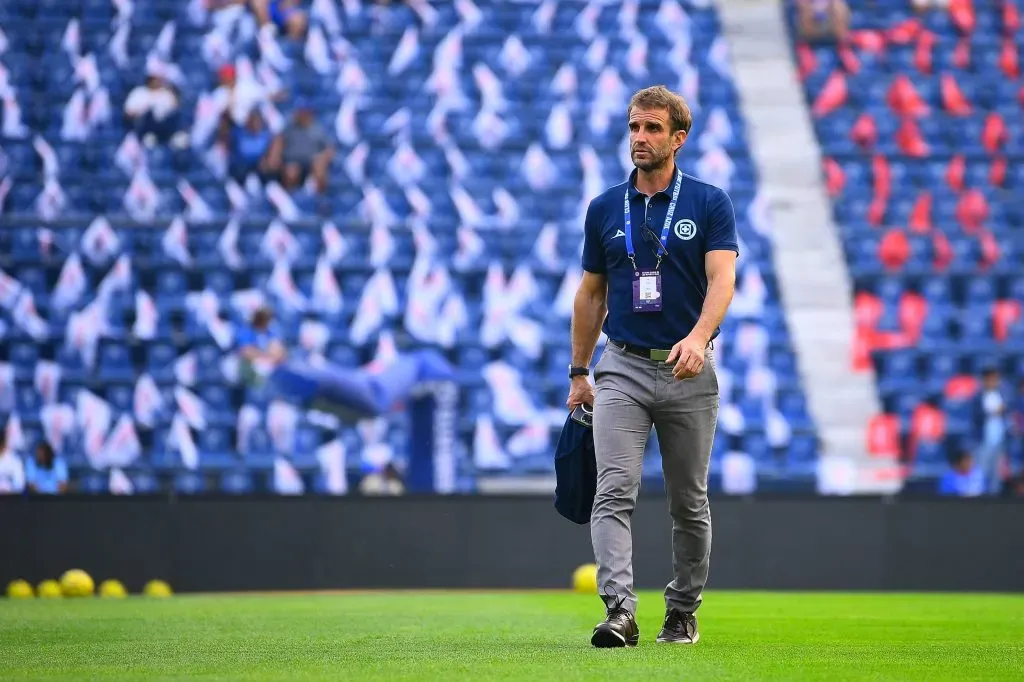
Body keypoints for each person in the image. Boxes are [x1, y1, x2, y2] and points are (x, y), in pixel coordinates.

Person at [567, 85, 738, 647]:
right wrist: (579, 371)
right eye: (635, 127)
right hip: (623, 367)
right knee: (613, 490)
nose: (640, 138)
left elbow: (722, 280)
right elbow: (591, 294)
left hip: (690, 370)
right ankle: (620, 610)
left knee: (689, 502)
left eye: (653, 129)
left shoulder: (709, 203)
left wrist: (698, 337)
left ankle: (682, 611)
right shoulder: (603, 207)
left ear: (678, 137)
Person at [267, 99, 334, 193]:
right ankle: (292, 200)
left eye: (303, 112)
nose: (300, 114)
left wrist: (322, 158)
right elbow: (278, 141)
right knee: (291, 171)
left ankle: (321, 201)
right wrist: (275, 156)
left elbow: (329, 148)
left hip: (311, 162)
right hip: (292, 161)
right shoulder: (289, 128)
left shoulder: (318, 129)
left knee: (320, 169)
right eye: (299, 112)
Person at [123, 75, 186, 148]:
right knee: (149, 114)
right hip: (143, 127)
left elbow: (175, 110)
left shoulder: (165, 93)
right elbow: (128, 113)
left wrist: (172, 92)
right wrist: (142, 110)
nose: (156, 81)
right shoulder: (139, 92)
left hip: (164, 127)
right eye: (154, 79)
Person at [974, 368, 1008, 495]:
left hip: (1000, 440)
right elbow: (976, 416)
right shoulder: (978, 397)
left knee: (996, 474)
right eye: (991, 379)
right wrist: (993, 412)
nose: (994, 382)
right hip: (984, 440)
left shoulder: (1002, 396)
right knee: (981, 472)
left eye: (996, 379)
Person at [237, 306, 288, 384]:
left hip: (270, 362)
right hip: (249, 363)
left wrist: (274, 357)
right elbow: (246, 351)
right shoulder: (247, 330)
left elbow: (279, 349)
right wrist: (266, 355)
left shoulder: (270, 332)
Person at [228, 110, 279, 183]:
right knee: (239, 169)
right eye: (253, 121)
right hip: (242, 164)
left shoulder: (266, 135)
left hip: (259, 164)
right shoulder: (238, 133)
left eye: (257, 121)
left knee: (269, 171)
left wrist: (266, 161)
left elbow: (270, 152)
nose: (255, 124)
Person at [0, 428, 25, 494]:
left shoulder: (15, 461)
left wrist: (8, 489)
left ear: (3, 443)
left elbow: (20, 484)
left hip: (10, 498)